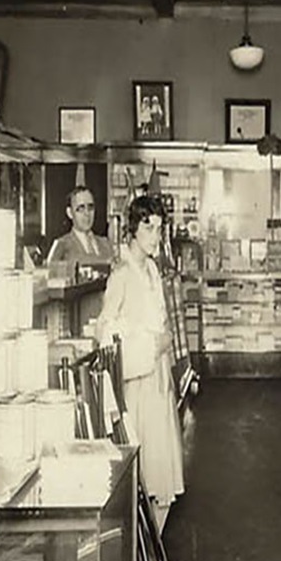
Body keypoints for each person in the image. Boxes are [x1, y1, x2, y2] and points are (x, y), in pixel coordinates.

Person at [97, 195, 184, 534]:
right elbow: (105, 334)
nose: (156, 236)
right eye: (149, 228)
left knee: (162, 473)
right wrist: (151, 345)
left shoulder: (150, 268)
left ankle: (152, 559)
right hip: (138, 384)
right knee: (142, 472)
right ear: (132, 229)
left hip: (159, 380)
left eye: (160, 229)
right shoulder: (121, 274)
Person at [47, 187, 114, 266]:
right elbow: (50, 274)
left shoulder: (105, 244)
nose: (87, 213)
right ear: (70, 213)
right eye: (81, 209)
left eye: (90, 207)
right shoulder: (61, 245)